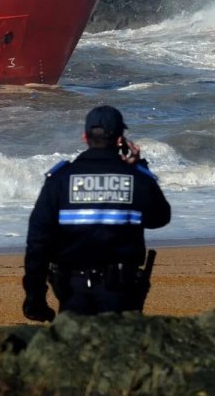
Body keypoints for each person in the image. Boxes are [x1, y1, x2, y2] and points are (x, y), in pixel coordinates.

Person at [22, 105, 171, 321]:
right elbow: (159, 218)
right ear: (121, 140)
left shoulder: (61, 179)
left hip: (72, 292)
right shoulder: (137, 178)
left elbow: (38, 242)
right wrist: (140, 166)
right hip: (122, 292)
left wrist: (34, 297)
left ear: (85, 137)